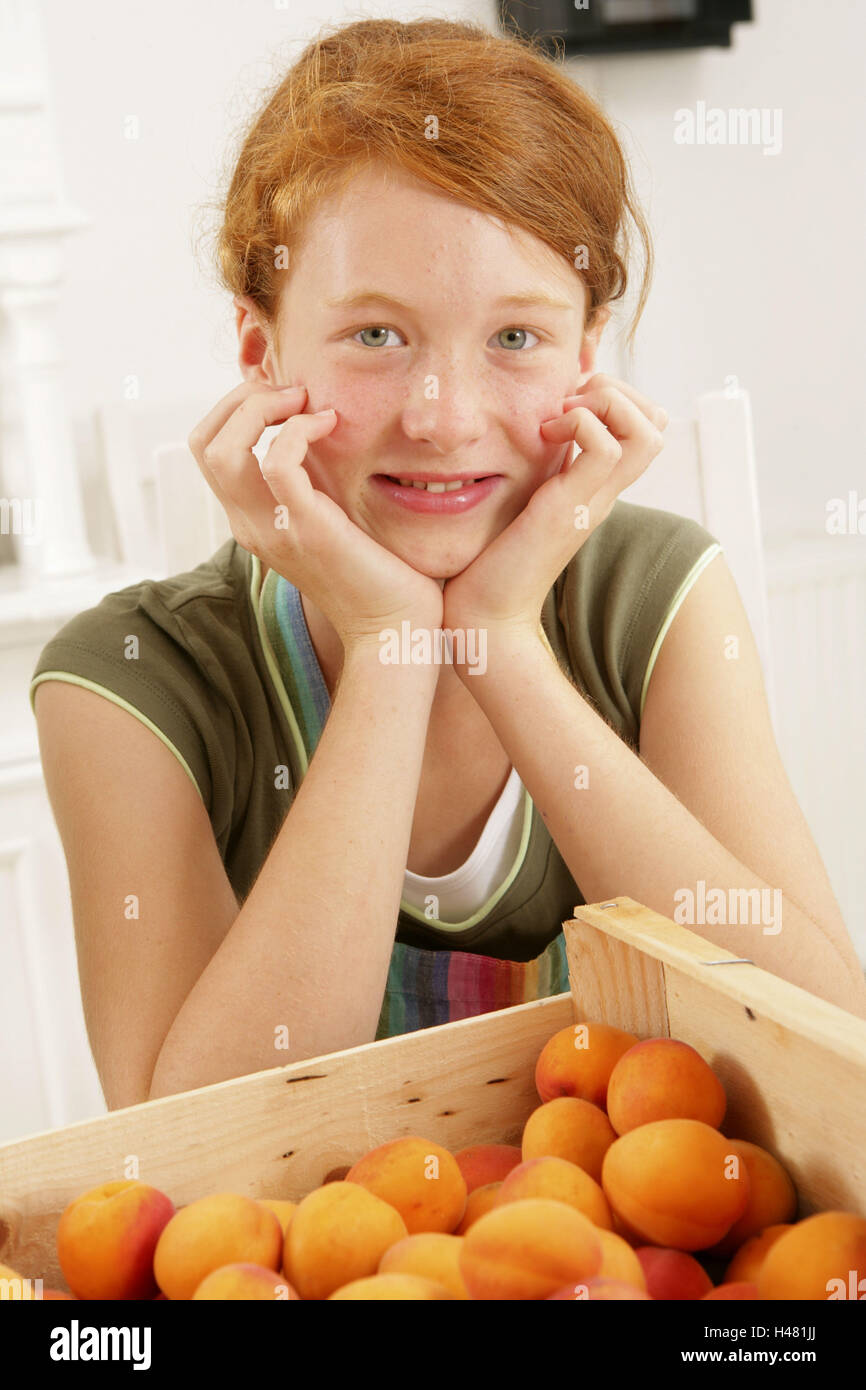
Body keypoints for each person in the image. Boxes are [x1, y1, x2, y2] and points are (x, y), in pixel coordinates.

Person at [30, 17, 866, 1110]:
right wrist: (388, 648)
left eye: (514, 338)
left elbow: (832, 1054)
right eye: (376, 336)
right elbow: (179, 1166)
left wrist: (503, 642)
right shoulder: (130, 677)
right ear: (257, 350)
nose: (443, 418)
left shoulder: (653, 597)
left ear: (584, 351)